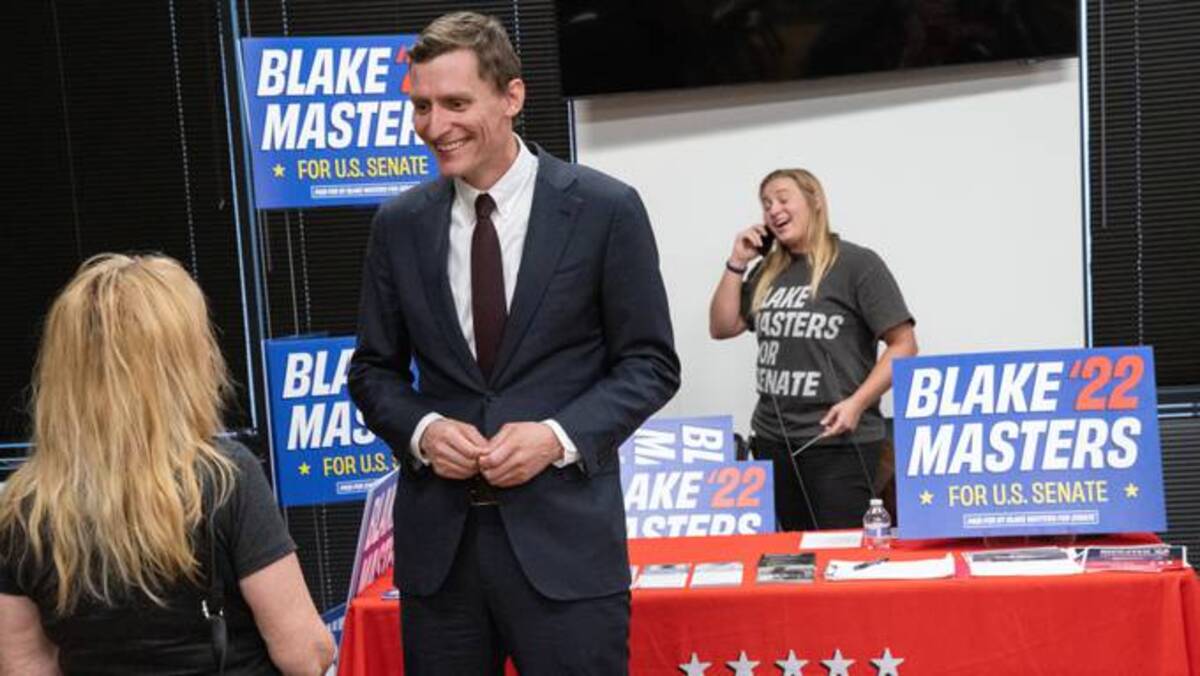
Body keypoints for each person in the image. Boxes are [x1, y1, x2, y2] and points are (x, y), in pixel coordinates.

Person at [347, 11, 680, 675]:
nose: (435, 126)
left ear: (513, 97)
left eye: (456, 103)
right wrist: (424, 430)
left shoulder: (605, 209)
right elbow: (373, 373)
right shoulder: (400, 224)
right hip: (440, 565)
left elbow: (650, 364)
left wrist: (554, 438)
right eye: (421, 106)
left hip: (567, 556)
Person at [0, 254, 334, 675]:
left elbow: (23, 664)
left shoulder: (23, 506)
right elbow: (304, 654)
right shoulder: (227, 477)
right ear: (181, 363)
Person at [709, 169, 917, 531]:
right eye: (766, 204)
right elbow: (723, 326)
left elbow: (905, 345)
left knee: (840, 558)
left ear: (814, 200)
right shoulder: (768, 272)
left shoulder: (857, 265)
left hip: (838, 441)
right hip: (774, 440)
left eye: (783, 198)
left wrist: (857, 403)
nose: (774, 210)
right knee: (794, 560)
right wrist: (737, 263)